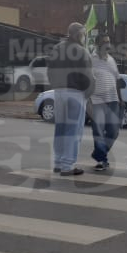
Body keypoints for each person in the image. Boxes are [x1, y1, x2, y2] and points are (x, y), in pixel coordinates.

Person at [47, 22, 94, 177]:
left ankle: (58, 163)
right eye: (84, 34)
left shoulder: (57, 48)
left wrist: (55, 85)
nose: (84, 36)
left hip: (59, 92)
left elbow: (50, 71)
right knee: (73, 130)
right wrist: (88, 93)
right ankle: (67, 165)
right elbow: (88, 76)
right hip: (76, 93)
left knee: (60, 128)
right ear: (78, 34)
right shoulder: (81, 51)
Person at [88, 34, 121, 171]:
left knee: (114, 131)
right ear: (98, 44)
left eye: (109, 41)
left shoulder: (112, 60)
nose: (107, 44)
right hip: (97, 101)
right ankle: (102, 160)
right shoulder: (91, 59)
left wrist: (120, 98)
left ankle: (99, 154)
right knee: (98, 131)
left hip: (113, 100)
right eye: (104, 42)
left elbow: (117, 80)